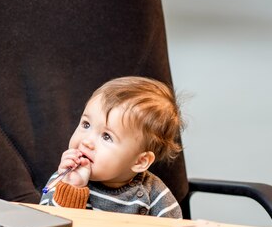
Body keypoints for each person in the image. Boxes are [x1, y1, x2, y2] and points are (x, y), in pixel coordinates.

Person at [40, 76, 184, 218]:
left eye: (106, 136)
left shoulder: (155, 195)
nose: (87, 141)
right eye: (86, 124)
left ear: (140, 161)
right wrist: (72, 188)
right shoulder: (65, 178)